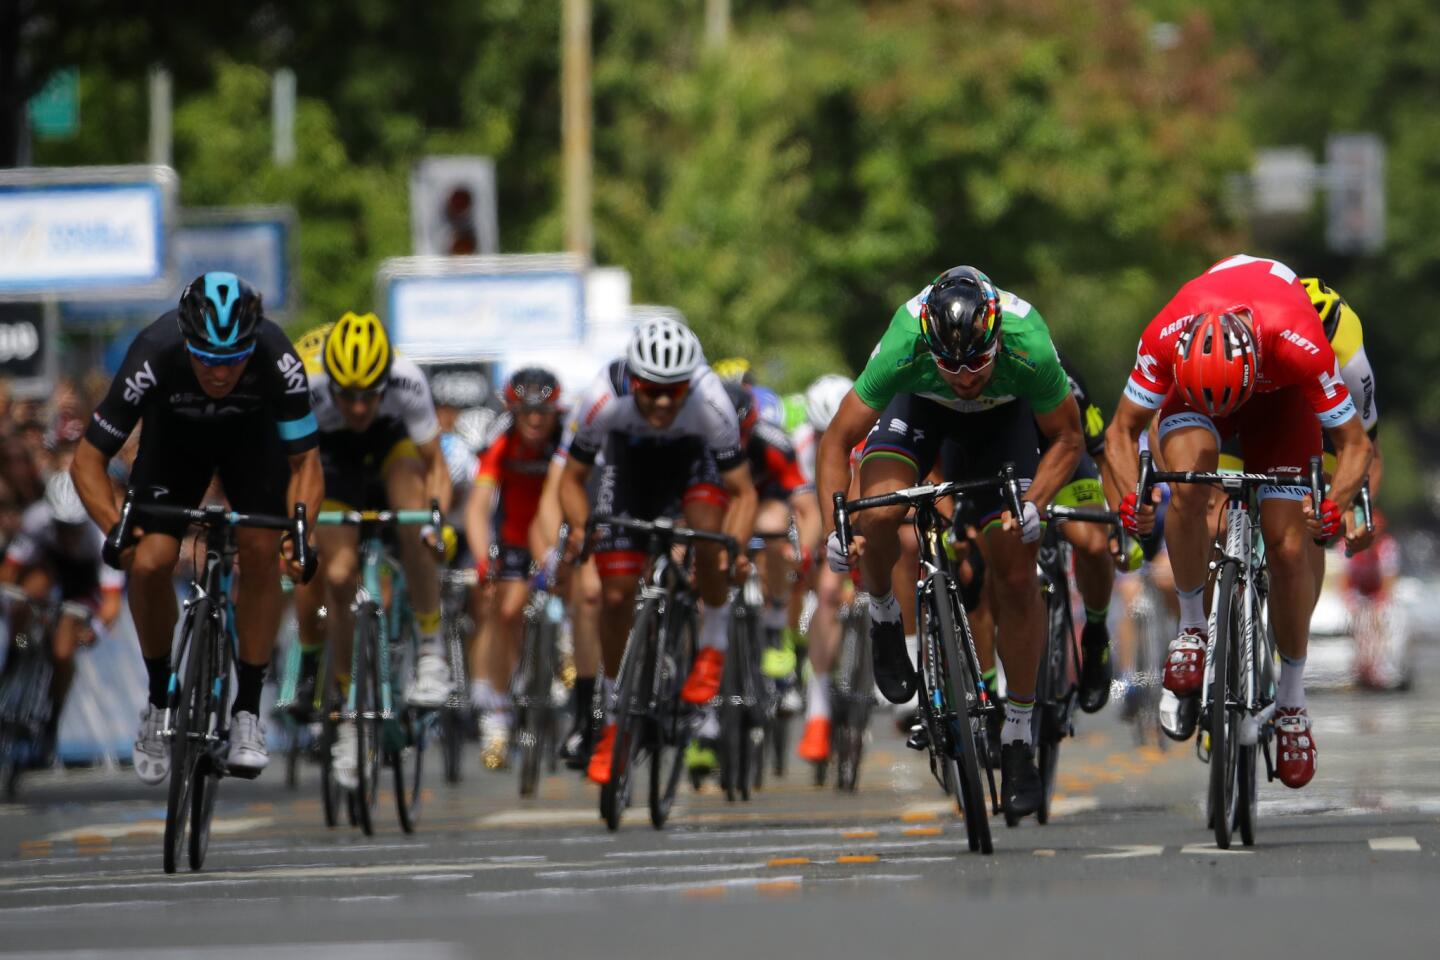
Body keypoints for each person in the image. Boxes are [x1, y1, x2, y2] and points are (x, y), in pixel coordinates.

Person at [817, 265, 1084, 822]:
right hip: (919, 410)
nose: (964, 379)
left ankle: (1015, 738)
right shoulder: (904, 339)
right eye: (952, 366)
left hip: (1003, 426)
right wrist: (833, 532)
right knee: (880, 513)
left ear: (996, 340)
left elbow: (1066, 435)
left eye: (977, 364)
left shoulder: (1027, 339)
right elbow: (838, 438)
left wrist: (1034, 504)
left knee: (1013, 571)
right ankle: (887, 616)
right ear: (928, 344)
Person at [1103, 254, 1373, 790]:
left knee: (1290, 546)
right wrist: (1128, 502)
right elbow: (1119, 432)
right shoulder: (1165, 336)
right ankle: (1191, 629)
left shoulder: (1300, 340)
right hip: (1195, 396)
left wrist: (1335, 504)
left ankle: (1292, 704)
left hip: (1279, 402)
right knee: (1188, 488)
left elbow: (1355, 442)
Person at [70, 271, 323, 783]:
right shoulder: (155, 350)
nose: (219, 373)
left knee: (259, 551)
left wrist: (299, 535)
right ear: (186, 341)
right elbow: (86, 461)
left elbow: (305, 465)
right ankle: (160, 695)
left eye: (232, 360)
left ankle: (248, 710)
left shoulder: (277, 355)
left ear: (252, 345)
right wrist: (113, 529)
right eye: (206, 358)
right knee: (150, 562)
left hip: (252, 447)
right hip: (174, 448)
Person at [556, 317, 758, 785]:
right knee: (613, 593)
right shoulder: (603, 397)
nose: (664, 401)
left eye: (675, 390)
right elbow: (571, 478)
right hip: (628, 466)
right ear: (633, 379)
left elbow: (743, 493)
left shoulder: (711, 401)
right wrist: (581, 527)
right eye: (652, 390)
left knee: (711, 540)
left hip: (693, 462)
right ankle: (610, 722)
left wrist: (736, 547)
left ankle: (712, 645)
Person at [290, 311, 453, 790]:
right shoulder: (306, 383)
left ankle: (429, 649)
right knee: (338, 577)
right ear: (331, 383)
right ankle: (345, 715)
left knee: (414, 514)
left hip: (391, 446)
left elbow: (436, 464)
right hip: (330, 455)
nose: (358, 407)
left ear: (385, 381)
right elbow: (296, 471)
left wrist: (436, 519)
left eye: (369, 395)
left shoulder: (407, 380)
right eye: (348, 395)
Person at [465, 367, 565, 769]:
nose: (536, 420)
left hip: (558, 531)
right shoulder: (500, 439)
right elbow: (477, 506)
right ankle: (499, 710)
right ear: (513, 410)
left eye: (544, 412)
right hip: (513, 536)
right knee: (504, 611)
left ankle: (568, 654)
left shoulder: (567, 437)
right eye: (527, 412)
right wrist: (481, 560)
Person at [0, 472, 124, 765]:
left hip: (85, 587)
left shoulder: (103, 535)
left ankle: (53, 713)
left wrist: (93, 629)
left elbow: (111, 605)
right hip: (50, 570)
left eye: (74, 528)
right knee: (25, 596)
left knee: (62, 646)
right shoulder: (37, 519)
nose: (68, 536)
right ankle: (19, 648)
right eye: (61, 527)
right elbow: (10, 572)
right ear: (51, 517)